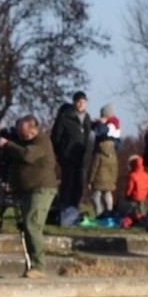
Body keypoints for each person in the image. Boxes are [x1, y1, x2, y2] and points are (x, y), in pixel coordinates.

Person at [0, 115, 58, 277]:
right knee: (26, 227)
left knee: (32, 224)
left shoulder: (41, 141)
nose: (22, 136)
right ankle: (31, 265)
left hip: (42, 188)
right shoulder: (21, 142)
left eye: (24, 132)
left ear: (34, 129)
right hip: (25, 190)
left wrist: (8, 145)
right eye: (19, 132)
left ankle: (39, 266)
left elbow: (27, 156)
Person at [50, 90, 92, 223]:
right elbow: (56, 136)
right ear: (74, 102)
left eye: (83, 102)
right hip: (67, 157)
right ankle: (64, 211)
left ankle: (74, 211)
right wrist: (60, 153)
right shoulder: (65, 116)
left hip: (81, 157)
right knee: (67, 184)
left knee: (79, 185)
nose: (81, 104)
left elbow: (86, 137)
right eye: (79, 102)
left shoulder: (86, 118)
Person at [87, 107, 121, 220]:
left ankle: (99, 214)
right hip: (110, 179)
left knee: (96, 195)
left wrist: (90, 180)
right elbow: (115, 168)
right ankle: (109, 213)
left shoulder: (99, 152)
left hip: (98, 179)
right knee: (107, 194)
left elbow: (94, 167)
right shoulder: (113, 153)